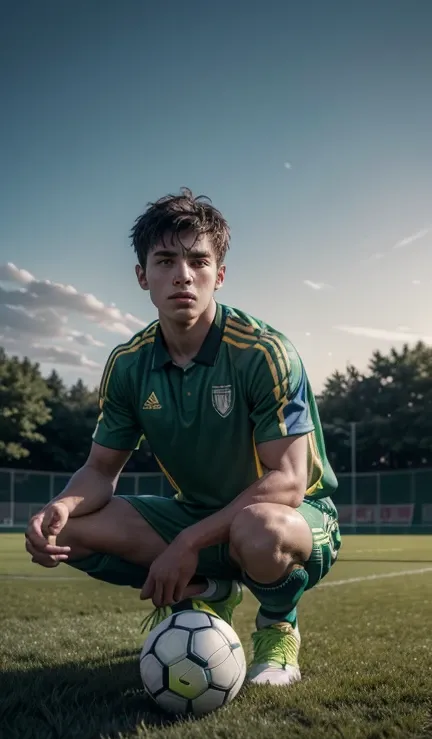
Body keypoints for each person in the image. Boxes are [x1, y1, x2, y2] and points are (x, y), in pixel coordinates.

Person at [25, 188, 341, 686]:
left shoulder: (262, 352)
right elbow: (101, 470)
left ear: (219, 274)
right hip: (197, 513)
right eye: (166, 260)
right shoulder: (129, 364)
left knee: (261, 528)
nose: (183, 275)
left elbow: (288, 482)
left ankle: (278, 625)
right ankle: (211, 588)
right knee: (69, 530)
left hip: (295, 516)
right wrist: (62, 504)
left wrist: (188, 541)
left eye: (198, 260)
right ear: (141, 276)